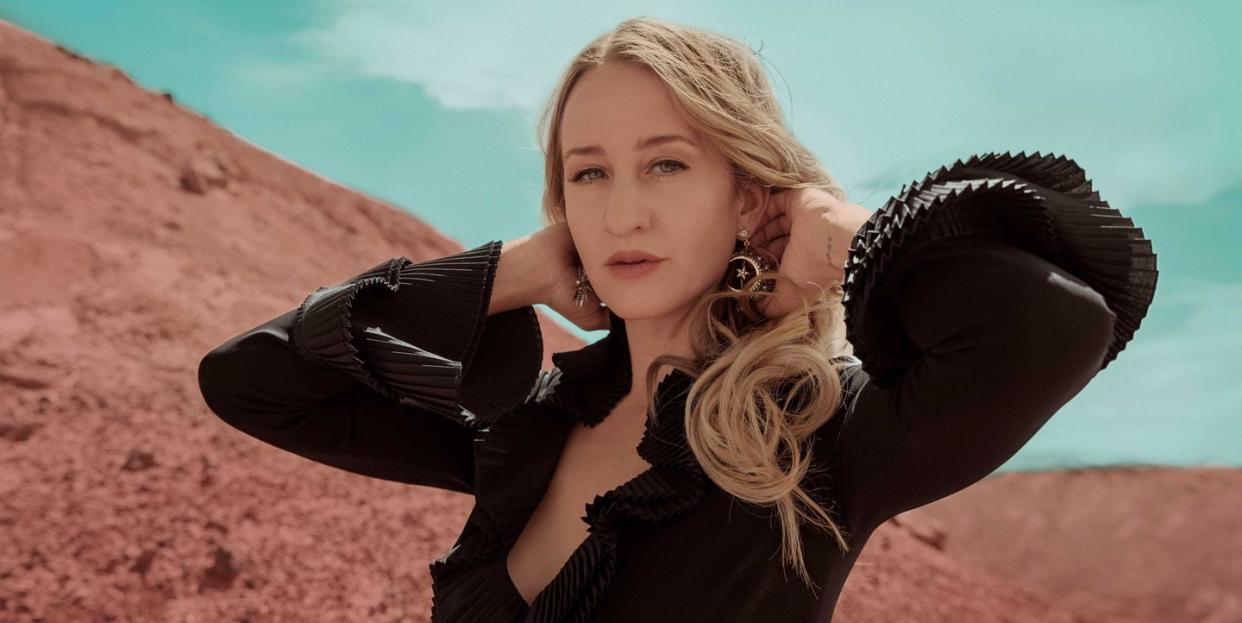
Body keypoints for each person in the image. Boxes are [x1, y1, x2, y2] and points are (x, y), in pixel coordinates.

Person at [196, 16, 1157, 623]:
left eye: (666, 163)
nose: (623, 212)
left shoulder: (823, 437)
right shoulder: (526, 425)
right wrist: (510, 273)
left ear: (746, 196)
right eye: (588, 174)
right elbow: (253, 380)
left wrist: (832, 234)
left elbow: (1055, 320)